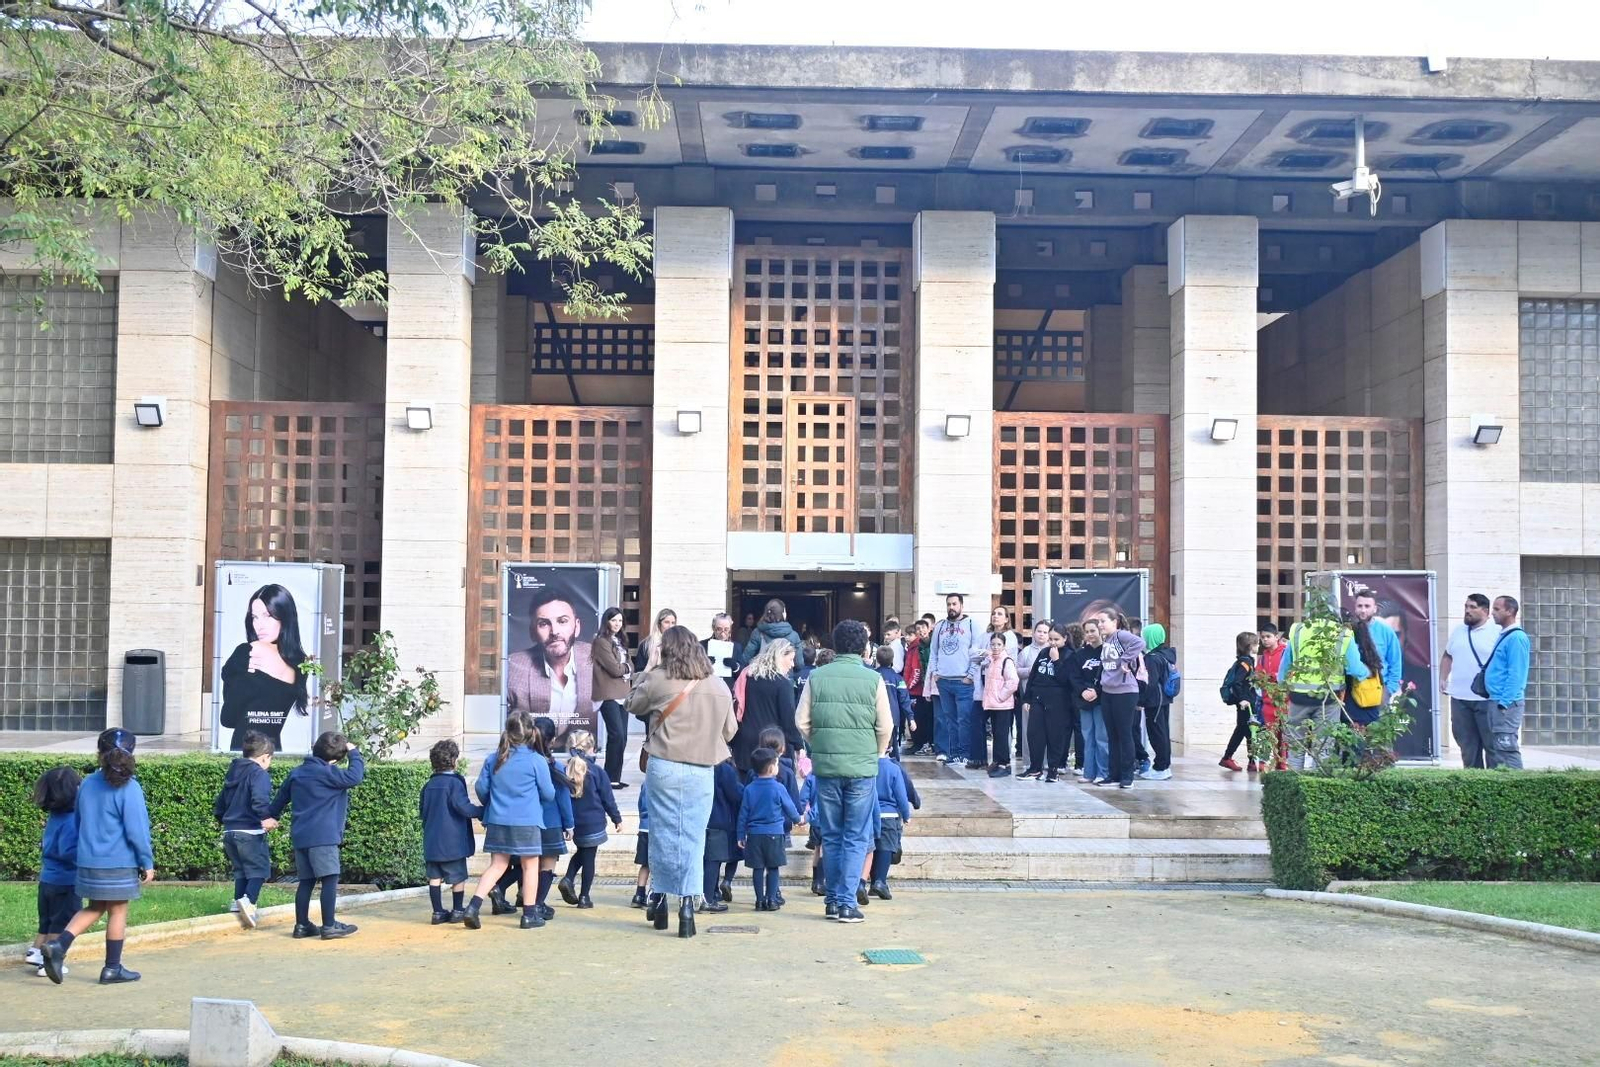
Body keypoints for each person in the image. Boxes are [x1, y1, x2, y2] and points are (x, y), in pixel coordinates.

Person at [627, 625, 739, 939]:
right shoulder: (717, 685)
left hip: (664, 765)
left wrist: (648, 670)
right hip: (702, 769)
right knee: (693, 836)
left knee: (662, 832)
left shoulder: (660, 679)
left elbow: (632, 704)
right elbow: (730, 731)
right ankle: (688, 903)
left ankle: (660, 898)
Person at [798, 619, 893, 924]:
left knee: (833, 834)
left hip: (826, 766)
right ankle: (846, 902)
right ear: (865, 647)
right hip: (861, 767)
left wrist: (820, 745)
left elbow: (801, 721)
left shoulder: (817, 676)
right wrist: (875, 753)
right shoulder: (873, 679)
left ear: (834, 646)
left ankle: (832, 898)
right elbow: (886, 725)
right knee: (855, 835)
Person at [40, 729, 153, 986]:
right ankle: (112, 968)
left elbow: (79, 822)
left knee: (95, 906)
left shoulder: (88, 783)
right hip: (118, 861)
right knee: (118, 911)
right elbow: (137, 829)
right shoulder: (130, 787)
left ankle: (58, 944)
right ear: (131, 753)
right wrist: (146, 862)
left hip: (88, 860)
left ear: (99, 753)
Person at [269, 730, 365, 940]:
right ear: (333, 759)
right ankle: (329, 925)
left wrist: (270, 816)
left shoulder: (297, 773)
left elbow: (280, 800)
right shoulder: (330, 774)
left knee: (306, 881)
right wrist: (354, 752)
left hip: (301, 837)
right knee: (330, 879)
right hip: (324, 836)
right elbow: (356, 776)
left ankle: (302, 925)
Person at [464, 712, 554, 930]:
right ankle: (529, 914)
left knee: (498, 865)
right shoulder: (536, 761)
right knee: (530, 866)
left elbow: (481, 789)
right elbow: (549, 793)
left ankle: (473, 907)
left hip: (497, 819)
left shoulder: (493, 758)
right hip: (527, 821)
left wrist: (492, 804)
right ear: (532, 733)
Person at [1277, 599, 1368, 771]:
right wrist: (1368, 673)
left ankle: (1294, 785)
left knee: (1296, 746)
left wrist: (1282, 684)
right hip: (1328, 698)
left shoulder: (1298, 630)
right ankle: (1317, 788)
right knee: (1324, 746)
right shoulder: (1343, 634)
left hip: (1298, 696)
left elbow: (1285, 665)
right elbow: (1354, 668)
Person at [218, 583, 310, 752]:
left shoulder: (247, 653)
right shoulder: (300, 662)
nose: (259, 624)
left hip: (245, 752)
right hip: (275, 752)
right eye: (254, 617)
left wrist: (232, 677)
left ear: (285, 616)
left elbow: (228, 718)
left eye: (267, 616)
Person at [505, 591, 594, 747]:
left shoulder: (597, 658)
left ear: (577, 626)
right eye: (544, 624)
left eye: (562, 621)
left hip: (581, 755)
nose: (554, 632)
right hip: (533, 753)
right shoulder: (514, 666)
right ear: (533, 632)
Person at [213, 730, 279, 928]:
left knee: (241, 869)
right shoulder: (259, 774)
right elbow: (259, 798)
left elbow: (220, 803)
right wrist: (265, 817)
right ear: (264, 757)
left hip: (230, 831)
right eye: (270, 760)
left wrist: (223, 820)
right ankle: (249, 901)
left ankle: (237, 902)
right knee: (259, 869)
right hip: (250, 831)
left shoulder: (233, 772)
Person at [419, 738, 482, 925]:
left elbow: (422, 811)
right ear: (454, 760)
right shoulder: (454, 783)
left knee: (434, 877)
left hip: (432, 840)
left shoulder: (428, 785)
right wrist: (483, 811)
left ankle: (437, 912)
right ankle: (457, 910)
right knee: (458, 877)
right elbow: (464, 808)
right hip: (453, 841)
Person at [558, 731, 624, 909]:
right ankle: (584, 896)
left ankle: (569, 878)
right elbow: (607, 798)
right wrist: (616, 818)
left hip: (574, 823)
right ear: (592, 749)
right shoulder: (597, 772)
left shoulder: (564, 770)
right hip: (593, 822)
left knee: (582, 852)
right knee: (589, 858)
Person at [26, 767, 81, 979]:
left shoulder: (55, 816)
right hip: (66, 881)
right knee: (61, 923)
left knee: (48, 920)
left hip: (47, 879)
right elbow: (68, 851)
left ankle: (35, 952)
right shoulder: (71, 821)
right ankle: (48, 962)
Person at [1440, 593, 1500, 769]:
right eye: (1466, 607)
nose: (1467, 611)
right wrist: (1443, 678)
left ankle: (1495, 785)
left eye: (1472, 607)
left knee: (1493, 746)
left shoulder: (1496, 632)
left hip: (1487, 699)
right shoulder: (1459, 630)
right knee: (1467, 746)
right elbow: (1447, 656)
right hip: (1460, 698)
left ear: (1485, 611)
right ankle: (1473, 781)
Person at [737, 746, 801, 911]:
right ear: (772, 767)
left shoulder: (749, 789)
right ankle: (772, 900)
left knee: (757, 869)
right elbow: (790, 808)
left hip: (754, 835)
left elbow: (743, 814)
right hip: (775, 833)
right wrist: (798, 819)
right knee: (773, 868)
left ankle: (759, 900)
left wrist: (740, 835)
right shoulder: (778, 787)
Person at [730, 638, 803, 772]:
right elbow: (788, 719)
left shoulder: (748, 676)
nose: (792, 664)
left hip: (745, 742)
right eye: (791, 659)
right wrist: (799, 745)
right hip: (771, 745)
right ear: (780, 656)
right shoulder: (783, 684)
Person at [927, 593, 983, 765]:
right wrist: (935, 673)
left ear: (961, 606)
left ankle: (965, 753)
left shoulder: (972, 624)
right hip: (944, 680)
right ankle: (953, 753)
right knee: (949, 720)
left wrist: (970, 674)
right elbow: (934, 652)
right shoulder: (940, 626)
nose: (951, 607)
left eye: (954, 604)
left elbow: (977, 652)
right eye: (949, 604)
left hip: (963, 681)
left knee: (964, 719)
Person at [1097, 610, 1147, 789]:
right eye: (1099, 622)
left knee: (1125, 734)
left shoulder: (1121, 635)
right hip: (1108, 691)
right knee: (1112, 735)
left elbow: (1140, 643)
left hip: (1125, 692)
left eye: (1103, 621)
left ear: (1114, 622)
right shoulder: (1107, 640)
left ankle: (1127, 776)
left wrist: (1125, 661)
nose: (1100, 625)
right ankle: (1114, 774)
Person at [1481, 596, 1531, 770]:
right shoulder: (1505, 635)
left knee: (1506, 748)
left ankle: (1517, 787)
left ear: (1510, 611)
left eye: (1496, 609)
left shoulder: (1516, 638)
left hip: (1506, 703)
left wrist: (1504, 703)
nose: (1492, 613)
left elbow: (1517, 674)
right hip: (1496, 700)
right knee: (1498, 749)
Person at [1018, 622, 1068, 780]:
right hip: (1038, 699)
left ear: (1065, 639)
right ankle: (1035, 768)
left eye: (1056, 639)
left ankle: (1053, 769)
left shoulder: (1069, 654)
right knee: (1034, 734)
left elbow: (1066, 679)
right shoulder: (1043, 652)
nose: (1052, 643)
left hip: (1057, 702)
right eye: (1051, 639)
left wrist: (1056, 661)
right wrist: (1027, 698)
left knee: (1054, 736)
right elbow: (1033, 676)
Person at [590, 607, 633, 789]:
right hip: (608, 694)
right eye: (614, 620)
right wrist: (626, 668)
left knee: (622, 737)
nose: (617, 624)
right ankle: (608, 778)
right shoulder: (601, 642)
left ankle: (614, 777)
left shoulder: (620, 641)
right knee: (616, 735)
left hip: (623, 694)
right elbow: (614, 669)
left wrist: (626, 667)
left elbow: (630, 663)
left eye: (620, 621)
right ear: (606, 621)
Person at [866, 746, 913, 900]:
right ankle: (880, 882)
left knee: (871, 848)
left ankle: (870, 881)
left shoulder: (866, 766)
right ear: (890, 748)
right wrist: (906, 815)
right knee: (886, 847)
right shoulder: (893, 769)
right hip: (889, 815)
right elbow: (901, 796)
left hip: (869, 813)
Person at [701, 755, 744, 914]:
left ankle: (709, 893)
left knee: (705, 861)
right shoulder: (723, 769)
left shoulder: (699, 764)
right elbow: (735, 795)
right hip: (718, 820)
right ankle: (707, 899)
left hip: (699, 819)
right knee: (713, 861)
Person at [1069, 619, 1109, 784]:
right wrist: (1083, 691)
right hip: (1084, 701)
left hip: (1101, 701)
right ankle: (1089, 772)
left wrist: (1096, 691)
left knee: (1102, 737)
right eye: (1087, 631)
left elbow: (1109, 674)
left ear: (1100, 631)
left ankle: (1103, 772)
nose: (1090, 634)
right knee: (1088, 736)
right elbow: (1074, 677)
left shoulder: (1107, 652)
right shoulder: (1079, 654)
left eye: (1093, 631)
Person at [1219, 632, 1263, 772]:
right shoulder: (1245, 663)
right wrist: (1243, 699)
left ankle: (1250, 762)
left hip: (1247, 702)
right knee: (1247, 730)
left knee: (1247, 731)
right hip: (1246, 704)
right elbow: (1238, 683)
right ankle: (1229, 758)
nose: (1259, 646)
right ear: (1250, 646)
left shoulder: (1246, 660)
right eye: (1257, 643)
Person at [978, 632, 1020, 778]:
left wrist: (1000, 697)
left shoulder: (1006, 661)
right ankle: (997, 761)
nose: (995, 647)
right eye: (993, 644)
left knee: (1002, 735)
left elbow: (1013, 682)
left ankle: (1005, 764)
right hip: (992, 704)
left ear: (1004, 646)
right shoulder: (991, 660)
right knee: (996, 734)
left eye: (999, 645)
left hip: (1003, 705)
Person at [1137, 623, 1176, 780]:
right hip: (1163, 699)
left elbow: (1149, 683)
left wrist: (1140, 700)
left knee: (1157, 733)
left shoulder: (1152, 658)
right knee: (1163, 733)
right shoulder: (1166, 654)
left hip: (1154, 700)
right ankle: (1164, 766)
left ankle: (1160, 767)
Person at [1353, 588, 1403, 703]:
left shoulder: (1386, 631)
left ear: (1375, 609)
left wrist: (1389, 690)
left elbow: (1395, 662)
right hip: (1353, 690)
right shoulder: (1347, 630)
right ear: (1355, 608)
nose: (1363, 610)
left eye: (1367, 606)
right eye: (1360, 606)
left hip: (1379, 689)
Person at [1016, 621, 1051, 771]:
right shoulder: (1026, 652)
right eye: (1039, 631)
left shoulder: (1053, 651)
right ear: (1034, 633)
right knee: (1028, 730)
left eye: (1045, 632)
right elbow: (1016, 670)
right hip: (1029, 698)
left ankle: (1047, 762)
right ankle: (1028, 762)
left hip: (1049, 699)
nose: (1041, 634)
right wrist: (1030, 670)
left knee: (1048, 730)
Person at [1345, 615, 1388, 730]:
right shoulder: (1371, 653)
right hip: (1371, 711)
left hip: (1353, 712)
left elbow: (1352, 671)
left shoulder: (1350, 652)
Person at [873, 644, 913, 760]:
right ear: (892, 660)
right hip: (893, 717)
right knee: (893, 747)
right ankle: (894, 769)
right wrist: (911, 718)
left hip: (875, 716)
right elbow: (904, 699)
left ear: (878, 659)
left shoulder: (873, 676)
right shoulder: (898, 679)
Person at [1257, 626, 1288, 770]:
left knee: (1285, 736)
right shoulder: (1263, 657)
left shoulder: (1284, 653)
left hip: (1284, 701)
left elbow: (1290, 673)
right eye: (1263, 637)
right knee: (1271, 735)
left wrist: (1274, 676)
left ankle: (1283, 763)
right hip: (1268, 702)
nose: (1265, 640)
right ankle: (1272, 763)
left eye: (1268, 636)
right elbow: (1258, 676)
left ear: (1277, 637)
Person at [740, 598, 805, 668]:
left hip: (761, 676)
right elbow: (799, 664)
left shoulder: (757, 632)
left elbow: (745, 659)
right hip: (786, 677)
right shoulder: (793, 636)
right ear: (783, 615)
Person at [903, 618, 933, 755]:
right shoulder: (914, 647)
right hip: (917, 689)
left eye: (923, 628)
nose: (921, 631)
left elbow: (916, 670)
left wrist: (908, 687)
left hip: (917, 690)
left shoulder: (916, 648)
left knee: (918, 718)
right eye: (918, 629)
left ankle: (919, 743)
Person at [631, 754, 651, 908]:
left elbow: (640, 805)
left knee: (645, 863)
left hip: (644, 827)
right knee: (658, 863)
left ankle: (639, 893)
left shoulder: (645, 784)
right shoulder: (662, 785)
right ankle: (655, 894)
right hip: (658, 828)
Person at [635, 607, 678, 673]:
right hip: (651, 680)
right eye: (666, 622)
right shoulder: (646, 644)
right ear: (659, 624)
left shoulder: (679, 643)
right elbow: (639, 669)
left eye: (673, 623)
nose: (670, 626)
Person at [702, 612, 741, 679]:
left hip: (728, 686)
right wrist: (705, 665)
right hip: (709, 684)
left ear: (730, 629)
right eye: (719, 629)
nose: (722, 633)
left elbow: (742, 672)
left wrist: (735, 667)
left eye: (726, 629)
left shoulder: (736, 647)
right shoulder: (702, 645)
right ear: (713, 628)